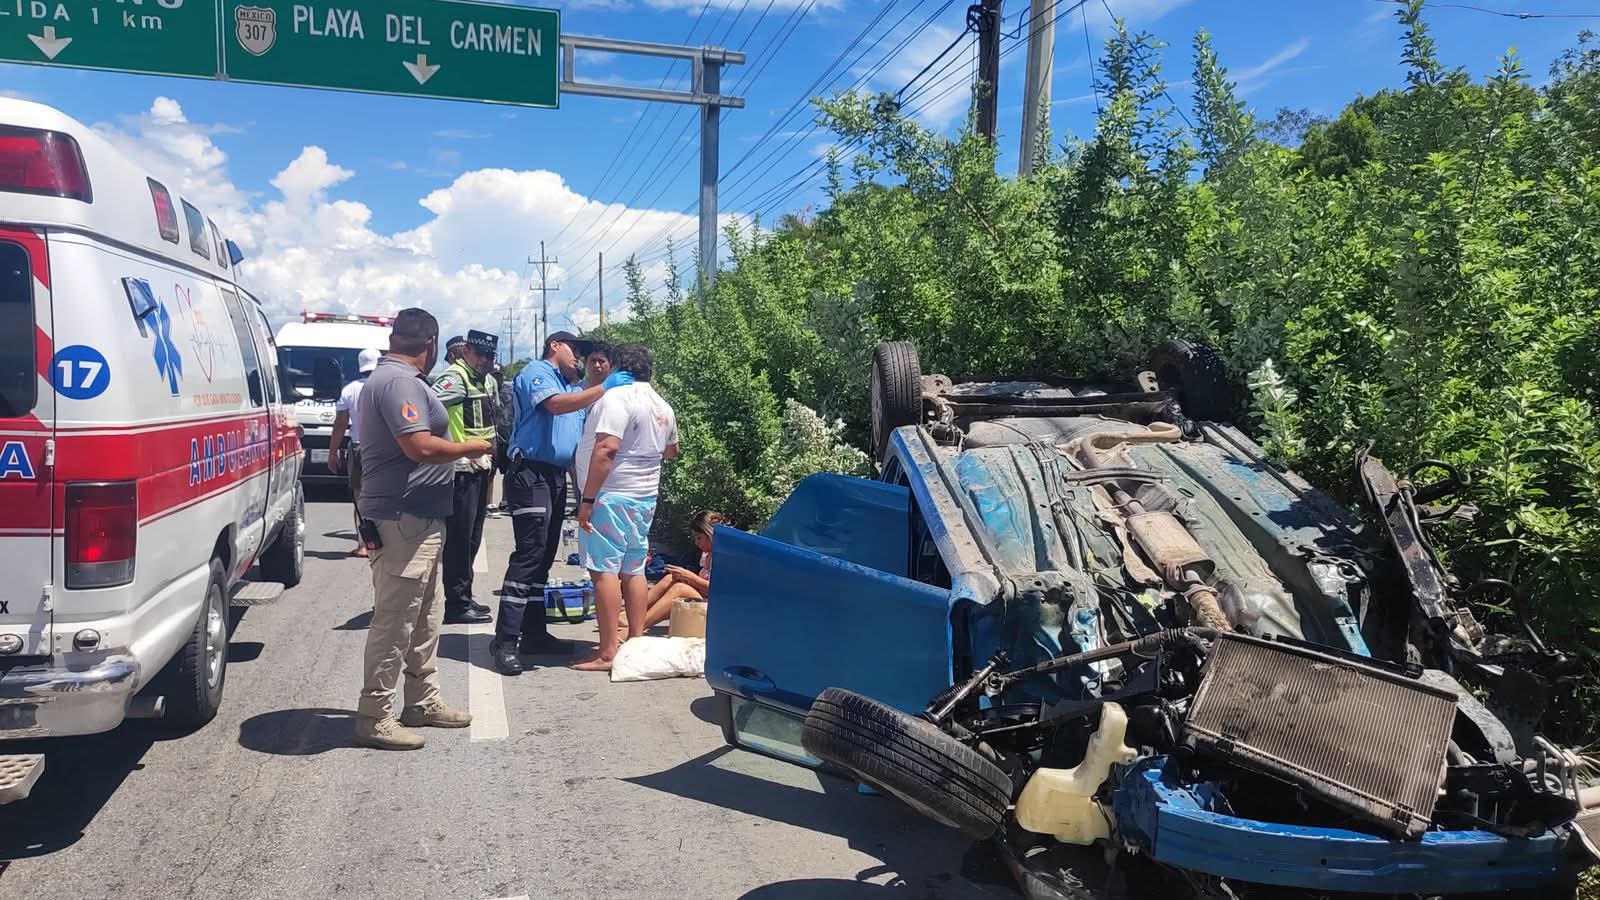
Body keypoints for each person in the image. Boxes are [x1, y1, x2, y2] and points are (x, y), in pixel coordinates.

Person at [353, 308, 490, 750]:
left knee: (426, 615)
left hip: (421, 518)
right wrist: (470, 446)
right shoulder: (398, 382)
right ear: (430, 343)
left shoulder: (399, 380)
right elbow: (419, 445)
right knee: (395, 620)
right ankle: (375, 713)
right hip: (402, 518)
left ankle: (421, 701)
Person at [491, 332, 634, 675]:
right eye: (577, 352)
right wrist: (605, 387)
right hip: (530, 473)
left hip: (553, 477)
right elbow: (553, 406)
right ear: (556, 346)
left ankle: (535, 634)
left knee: (544, 557)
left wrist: (584, 495)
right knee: (529, 554)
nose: (579, 359)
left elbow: (574, 448)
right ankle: (506, 640)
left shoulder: (573, 389)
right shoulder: (537, 372)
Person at [574, 343, 679, 673]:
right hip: (645, 495)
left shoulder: (616, 398)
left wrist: (587, 500)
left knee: (604, 570)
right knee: (633, 567)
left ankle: (607, 653)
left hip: (612, 495)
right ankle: (636, 641)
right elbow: (672, 450)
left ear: (620, 367)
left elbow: (606, 450)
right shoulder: (662, 404)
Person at [433, 329, 499, 625]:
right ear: (467, 352)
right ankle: (456, 603)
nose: (485, 360)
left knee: (472, 538)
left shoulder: (482, 378)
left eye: (490, 356)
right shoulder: (455, 378)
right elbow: (429, 407)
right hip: (460, 468)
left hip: (480, 467)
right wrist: (451, 447)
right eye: (480, 354)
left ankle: (464, 595)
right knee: (459, 540)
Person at [328, 347, 381, 558]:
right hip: (383, 449)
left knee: (360, 497)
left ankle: (365, 543)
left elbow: (340, 423)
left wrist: (333, 452)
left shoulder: (349, 390)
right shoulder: (385, 386)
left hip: (359, 448)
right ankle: (385, 540)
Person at [633, 511, 719, 632]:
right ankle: (629, 616)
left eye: (699, 538)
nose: (696, 543)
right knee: (670, 578)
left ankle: (636, 627)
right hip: (705, 599)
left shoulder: (723, 558)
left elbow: (718, 591)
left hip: (717, 608)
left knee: (680, 588)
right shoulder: (707, 555)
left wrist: (690, 577)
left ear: (711, 535)